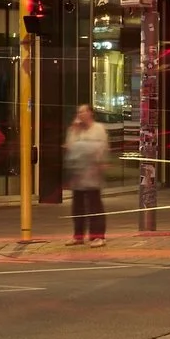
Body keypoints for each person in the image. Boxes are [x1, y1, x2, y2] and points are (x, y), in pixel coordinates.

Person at [64, 105, 110, 247]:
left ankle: (98, 236)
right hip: (78, 173)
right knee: (77, 206)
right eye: (79, 112)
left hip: (93, 172)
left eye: (84, 111)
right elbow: (69, 148)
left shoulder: (98, 129)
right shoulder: (74, 130)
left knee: (94, 204)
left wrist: (100, 162)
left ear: (90, 113)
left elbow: (102, 148)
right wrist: (75, 130)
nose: (81, 114)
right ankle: (78, 235)